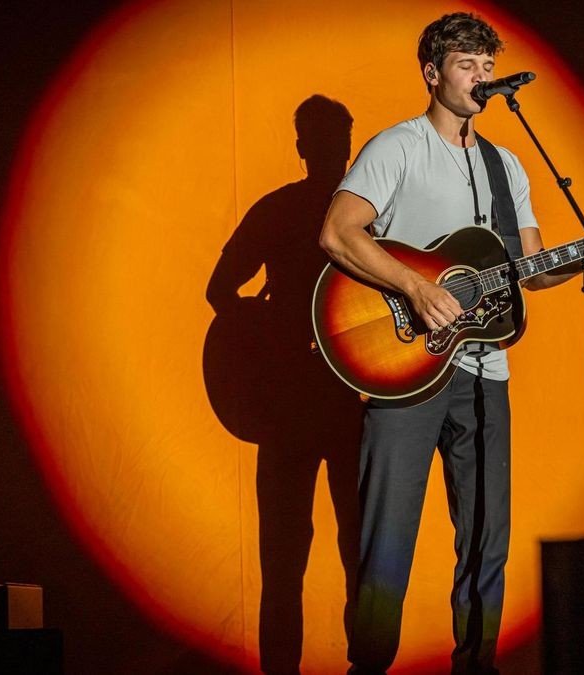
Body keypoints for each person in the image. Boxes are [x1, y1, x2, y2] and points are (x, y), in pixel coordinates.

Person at [317, 13, 584, 674]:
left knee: (489, 542)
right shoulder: (396, 147)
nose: (482, 78)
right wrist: (416, 288)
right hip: (404, 370)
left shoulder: (504, 166)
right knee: (385, 541)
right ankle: (367, 665)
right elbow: (339, 233)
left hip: (486, 376)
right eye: (468, 65)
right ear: (432, 73)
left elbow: (534, 268)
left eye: (488, 66)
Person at [206, 95, 361, 675]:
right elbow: (219, 292)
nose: (335, 156)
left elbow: (220, 292)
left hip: (300, 406)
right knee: (351, 555)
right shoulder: (371, 217)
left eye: (335, 145)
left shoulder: (278, 209)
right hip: (337, 404)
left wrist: (261, 331)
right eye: (331, 145)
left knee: (290, 561)